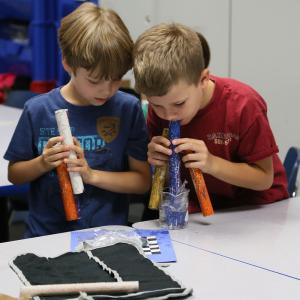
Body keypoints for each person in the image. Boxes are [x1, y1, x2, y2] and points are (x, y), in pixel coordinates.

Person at [4, 2, 151, 237]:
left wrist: (90, 175)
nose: (106, 90)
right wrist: (43, 162)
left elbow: (142, 181)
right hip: (45, 237)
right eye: (95, 80)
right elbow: (15, 173)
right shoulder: (38, 110)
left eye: (115, 79)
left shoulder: (127, 108)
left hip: (106, 235)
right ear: (68, 63)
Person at [133, 23, 288, 211]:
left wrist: (212, 163)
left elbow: (264, 179)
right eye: (156, 105)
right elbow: (169, 182)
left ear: (203, 79)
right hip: (201, 210)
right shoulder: (160, 110)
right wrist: (160, 164)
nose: (168, 115)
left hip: (258, 207)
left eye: (179, 103)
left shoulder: (243, 105)